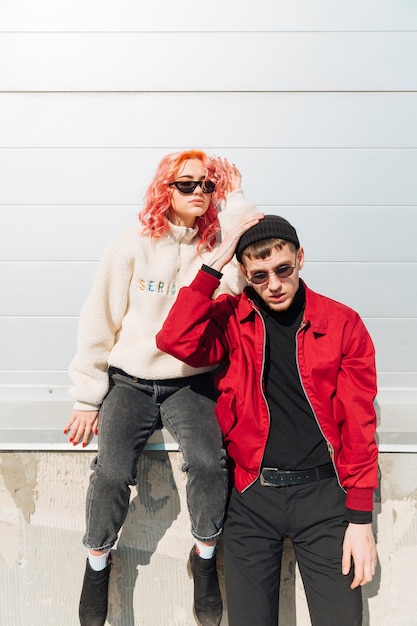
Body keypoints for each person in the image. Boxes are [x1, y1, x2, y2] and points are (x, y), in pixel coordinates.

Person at [63, 149, 258, 626]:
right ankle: (96, 564)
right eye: (186, 184)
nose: (198, 193)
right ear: (164, 190)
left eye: (207, 186)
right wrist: (88, 395)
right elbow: (99, 319)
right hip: (129, 382)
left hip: (189, 384)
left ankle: (206, 558)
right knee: (110, 473)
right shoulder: (130, 246)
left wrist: (233, 197)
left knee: (211, 464)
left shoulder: (214, 250)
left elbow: (243, 260)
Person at [156, 214, 379, 626]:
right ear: (244, 273)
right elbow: (175, 339)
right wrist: (214, 263)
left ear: (300, 259)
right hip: (252, 496)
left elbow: (359, 423)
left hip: (324, 498)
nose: (274, 284)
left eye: (283, 269)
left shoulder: (342, 323)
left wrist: (361, 519)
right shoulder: (230, 319)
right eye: (259, 275)